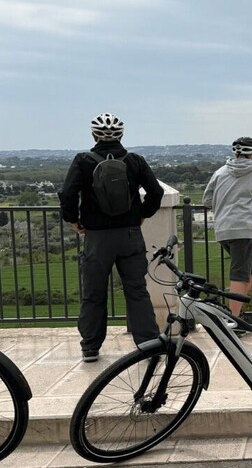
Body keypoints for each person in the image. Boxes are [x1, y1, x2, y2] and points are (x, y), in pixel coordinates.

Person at [58, 113, 164, 362]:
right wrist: (142, 215)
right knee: (137, 291)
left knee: (94, 293)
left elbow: (67, 194)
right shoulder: (134, 160)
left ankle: (91, 347)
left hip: (96, 238)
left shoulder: (83, 161)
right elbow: (155, 192)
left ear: (94, 135)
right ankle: (149, 345)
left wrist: (73, 220)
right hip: (130, 235)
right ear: (122, 135)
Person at [202, 137, 252, 322]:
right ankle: (234, 320)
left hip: (222, 229)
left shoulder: (220, 171)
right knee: (239, 274)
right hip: (242, 229)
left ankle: (233, 304)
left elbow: (207, 200)